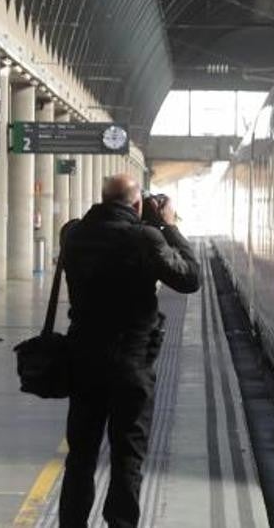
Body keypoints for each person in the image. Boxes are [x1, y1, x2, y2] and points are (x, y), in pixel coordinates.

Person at [57, 175, 199, 528]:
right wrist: (166, 226)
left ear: (103, 199)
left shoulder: (73, 234)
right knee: (126, 458)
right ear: (137, 205)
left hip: (83, 363)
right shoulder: (144, 238)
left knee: (80, 457)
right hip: (131, 366)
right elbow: (190, 277)